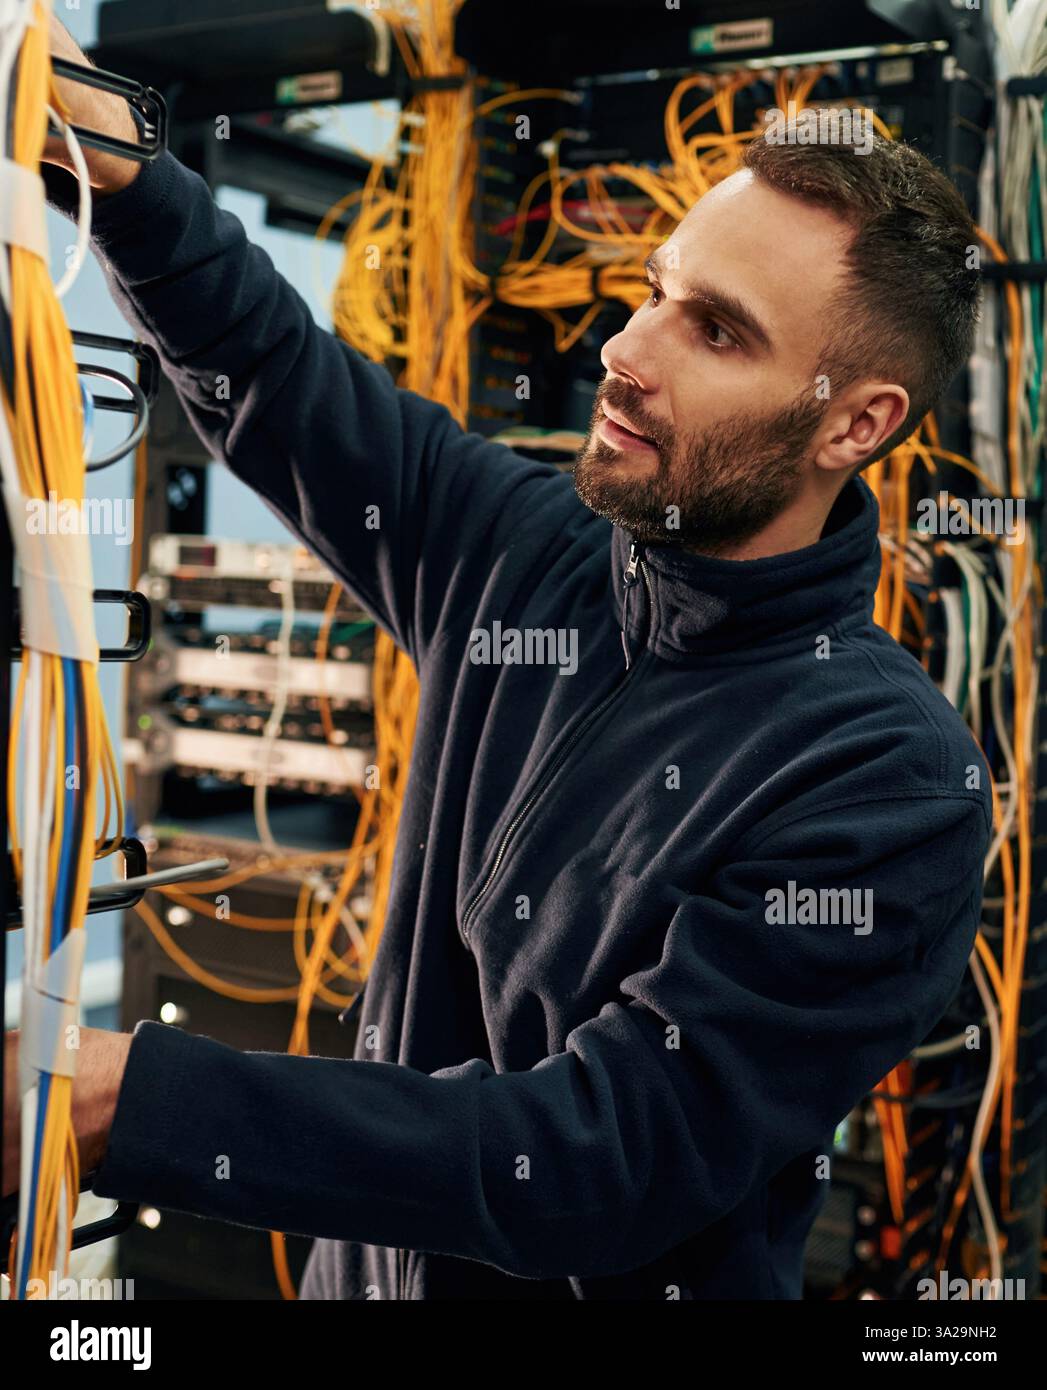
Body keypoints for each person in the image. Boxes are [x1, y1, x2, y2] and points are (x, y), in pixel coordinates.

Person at [3, 14, 991, 1300]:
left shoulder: (884, 786)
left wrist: (127, 1098)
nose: (623, 355)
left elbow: (596, 1157)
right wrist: (127, 170)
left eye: (718, 332)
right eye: (654, 292)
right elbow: (276, 371)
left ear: (856, 424)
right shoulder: (538, 556)